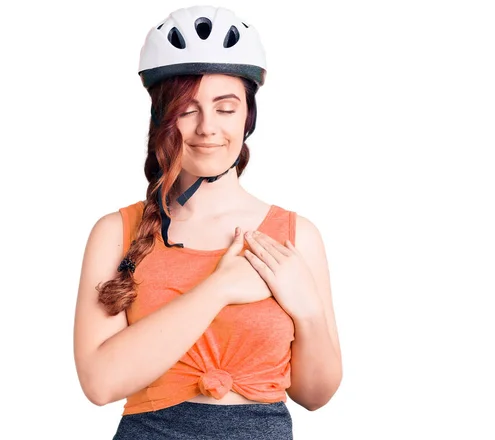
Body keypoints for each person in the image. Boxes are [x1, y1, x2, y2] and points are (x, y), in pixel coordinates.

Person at [73, 5, 342, 439]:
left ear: (248, 116)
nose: (207, 128)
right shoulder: (115, 232)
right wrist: (219, 287)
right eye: (187, 109)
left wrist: (308, 312)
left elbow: (315, 395)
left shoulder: (296, 236)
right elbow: (100, 384)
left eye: (225, 108)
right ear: (162, 118)